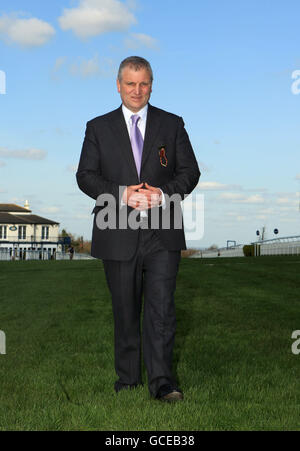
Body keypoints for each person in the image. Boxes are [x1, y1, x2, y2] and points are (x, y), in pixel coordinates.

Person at [76, 56, 200, 402]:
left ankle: (163, 383)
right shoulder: (97, 127)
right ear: (118, 85)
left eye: (143, 83)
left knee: (162, 309)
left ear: (151, 85)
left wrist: (163, 194)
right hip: (115, 229)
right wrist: (121, 194)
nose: (137, 90)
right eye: (130, 83)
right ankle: (127, 380)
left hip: (163, 231)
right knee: (125, 309)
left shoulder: (172, 124)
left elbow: (190, 172)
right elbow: (84, 176)